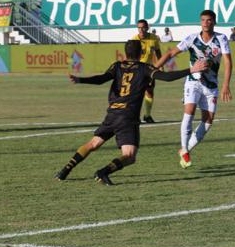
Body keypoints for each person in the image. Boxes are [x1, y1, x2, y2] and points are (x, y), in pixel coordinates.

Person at [56, 40, 204, 184]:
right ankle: (103, 172)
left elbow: (101, 79)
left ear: (125, 53)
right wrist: (191, 69)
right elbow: (166, 77)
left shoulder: (117, 66)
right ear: (141, 53)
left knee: (93, 144)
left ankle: (64, 171)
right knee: (129, 156)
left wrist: (80, 80)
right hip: (127, 117)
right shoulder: (145, 68)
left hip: (112, 113)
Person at [154, 9, 233, 169]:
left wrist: (226, 84)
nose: (206, 23)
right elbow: (171, 54)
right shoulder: (192, 39)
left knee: (208, 122)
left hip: (211, 85)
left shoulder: (221, 39)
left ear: (214, 22)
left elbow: (227, 62)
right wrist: (153, 69)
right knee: (189, 112)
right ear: (200, 22)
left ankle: (185, 149)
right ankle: (184, 148)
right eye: (203, 20)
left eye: (209, 20)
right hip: (193, 82)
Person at [129, 19, 163, 123]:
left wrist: (161, 65)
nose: (141, 30)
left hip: (149, 69)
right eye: (139, 27)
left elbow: (158, 52)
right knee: (136, 93)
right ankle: (135, 116)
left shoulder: (154, 38)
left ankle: (147, 115)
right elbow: (131, 56)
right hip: (137, 69)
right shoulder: (134, 39)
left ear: (147, 28)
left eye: (143, 27)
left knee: (150, 92)